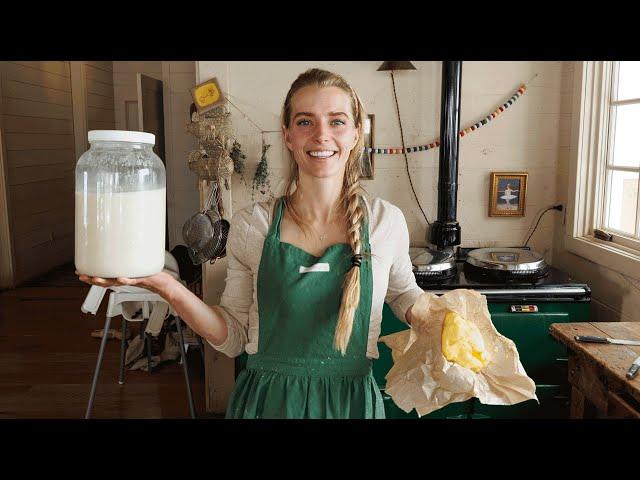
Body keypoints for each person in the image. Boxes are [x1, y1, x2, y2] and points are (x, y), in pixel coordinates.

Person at [77, 68, 423, 419]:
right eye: (305, 122)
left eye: (336, 121)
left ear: (354, 134)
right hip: (268, 404)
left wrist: (442, 320)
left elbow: (402, 293)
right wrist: (166, 286)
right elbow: (233, 338)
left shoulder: (384, 222)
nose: (321, 135)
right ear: (287, 135)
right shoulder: (253, 226)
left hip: (351, 406)